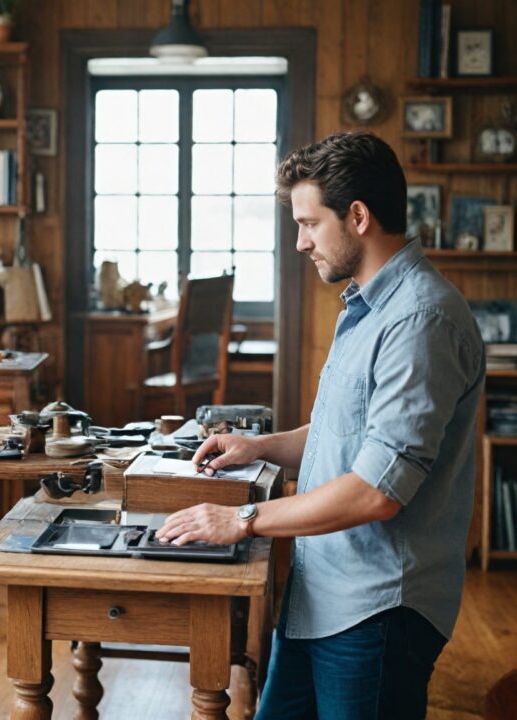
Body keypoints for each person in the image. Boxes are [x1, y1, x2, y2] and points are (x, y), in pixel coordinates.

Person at [156, 131, 484, 719]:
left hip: (377, 611)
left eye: (310, 223)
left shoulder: (420, 321)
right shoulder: (366, 307)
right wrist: (257, 446)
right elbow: (344, 435)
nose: (301, 242)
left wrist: (242, 519)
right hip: (322, 596)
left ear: (357, 216)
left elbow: (377, 490)